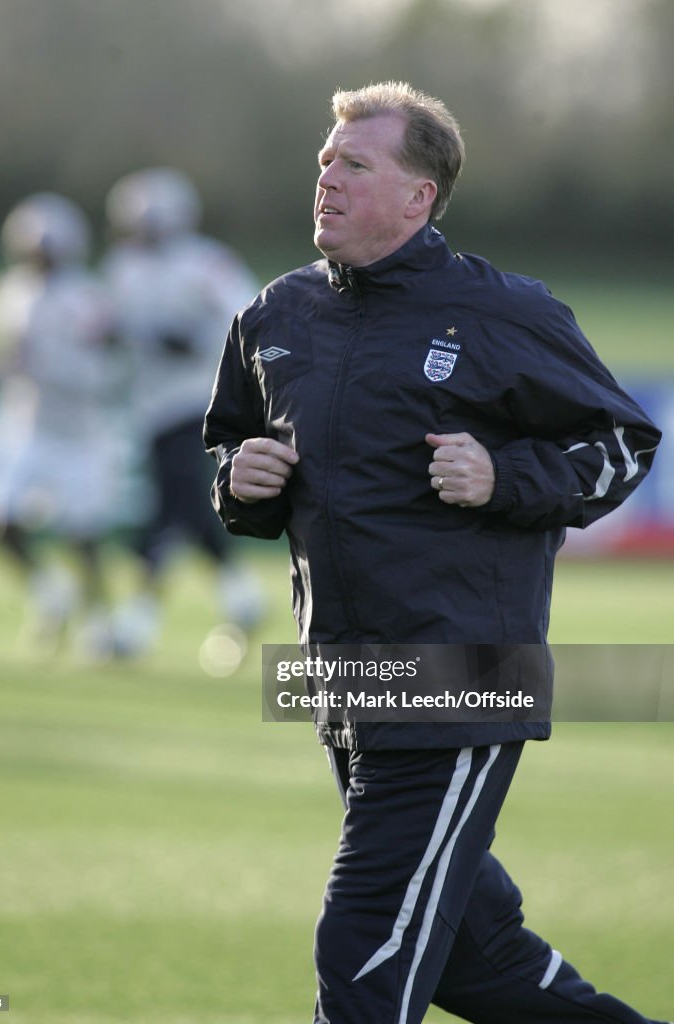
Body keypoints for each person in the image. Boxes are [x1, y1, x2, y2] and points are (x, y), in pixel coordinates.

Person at [204, 83, 666, 1023]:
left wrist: (503, 477)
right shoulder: (274, 316)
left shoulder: (503, 312)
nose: (327, 176)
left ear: (418, 197)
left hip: (460, 672)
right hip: (343, 676)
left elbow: (623, 446)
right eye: (326, 161)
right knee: (472, 959)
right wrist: (238, 481)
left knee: (364, 947)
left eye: (355, 164)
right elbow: (233, 449)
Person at [102, 168, 264, 664]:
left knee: (170, 509)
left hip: (200, 398)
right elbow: (112, 326)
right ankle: (241, 596)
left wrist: (195, 340)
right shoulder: (122, 266)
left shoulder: (206, 263)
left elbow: (250, 316)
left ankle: (136, 623)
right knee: (185, 510)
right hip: (150, 402)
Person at [0, 192, 124, 659]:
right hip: (26, 423)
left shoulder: (86, 295)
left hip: (79, 428)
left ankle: (99, 623)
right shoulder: (11, 290)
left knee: (83, 535)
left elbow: (110, 357)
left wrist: (62, 366)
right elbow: (10, 350)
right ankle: (49, 593)